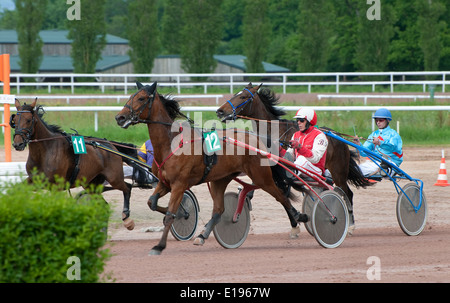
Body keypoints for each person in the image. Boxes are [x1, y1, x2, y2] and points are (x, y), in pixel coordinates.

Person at [354, 108, 403, 177]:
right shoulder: (374, 135)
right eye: (376, 120)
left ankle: (386, 170)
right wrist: (359, 145)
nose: (378, 122)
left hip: (391, 163)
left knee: (384, 168)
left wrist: (380, 143)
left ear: (388, 120)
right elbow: (365, 153)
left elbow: (392, 147)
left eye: (381, 120)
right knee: (355, 169)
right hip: (377, 163)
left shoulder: (393, 134)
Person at [286, 108, 328, 177]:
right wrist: (279, 150)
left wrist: (300, 147)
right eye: (297, 120)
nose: (298, 122)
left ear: (309, 121)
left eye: (302, 120)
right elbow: (289, 155)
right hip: (300, 168)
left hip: (315, 170)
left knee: (302, 159)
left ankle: (290, 174)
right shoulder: (295, 135)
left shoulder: (320, 136)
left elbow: (315, 159)